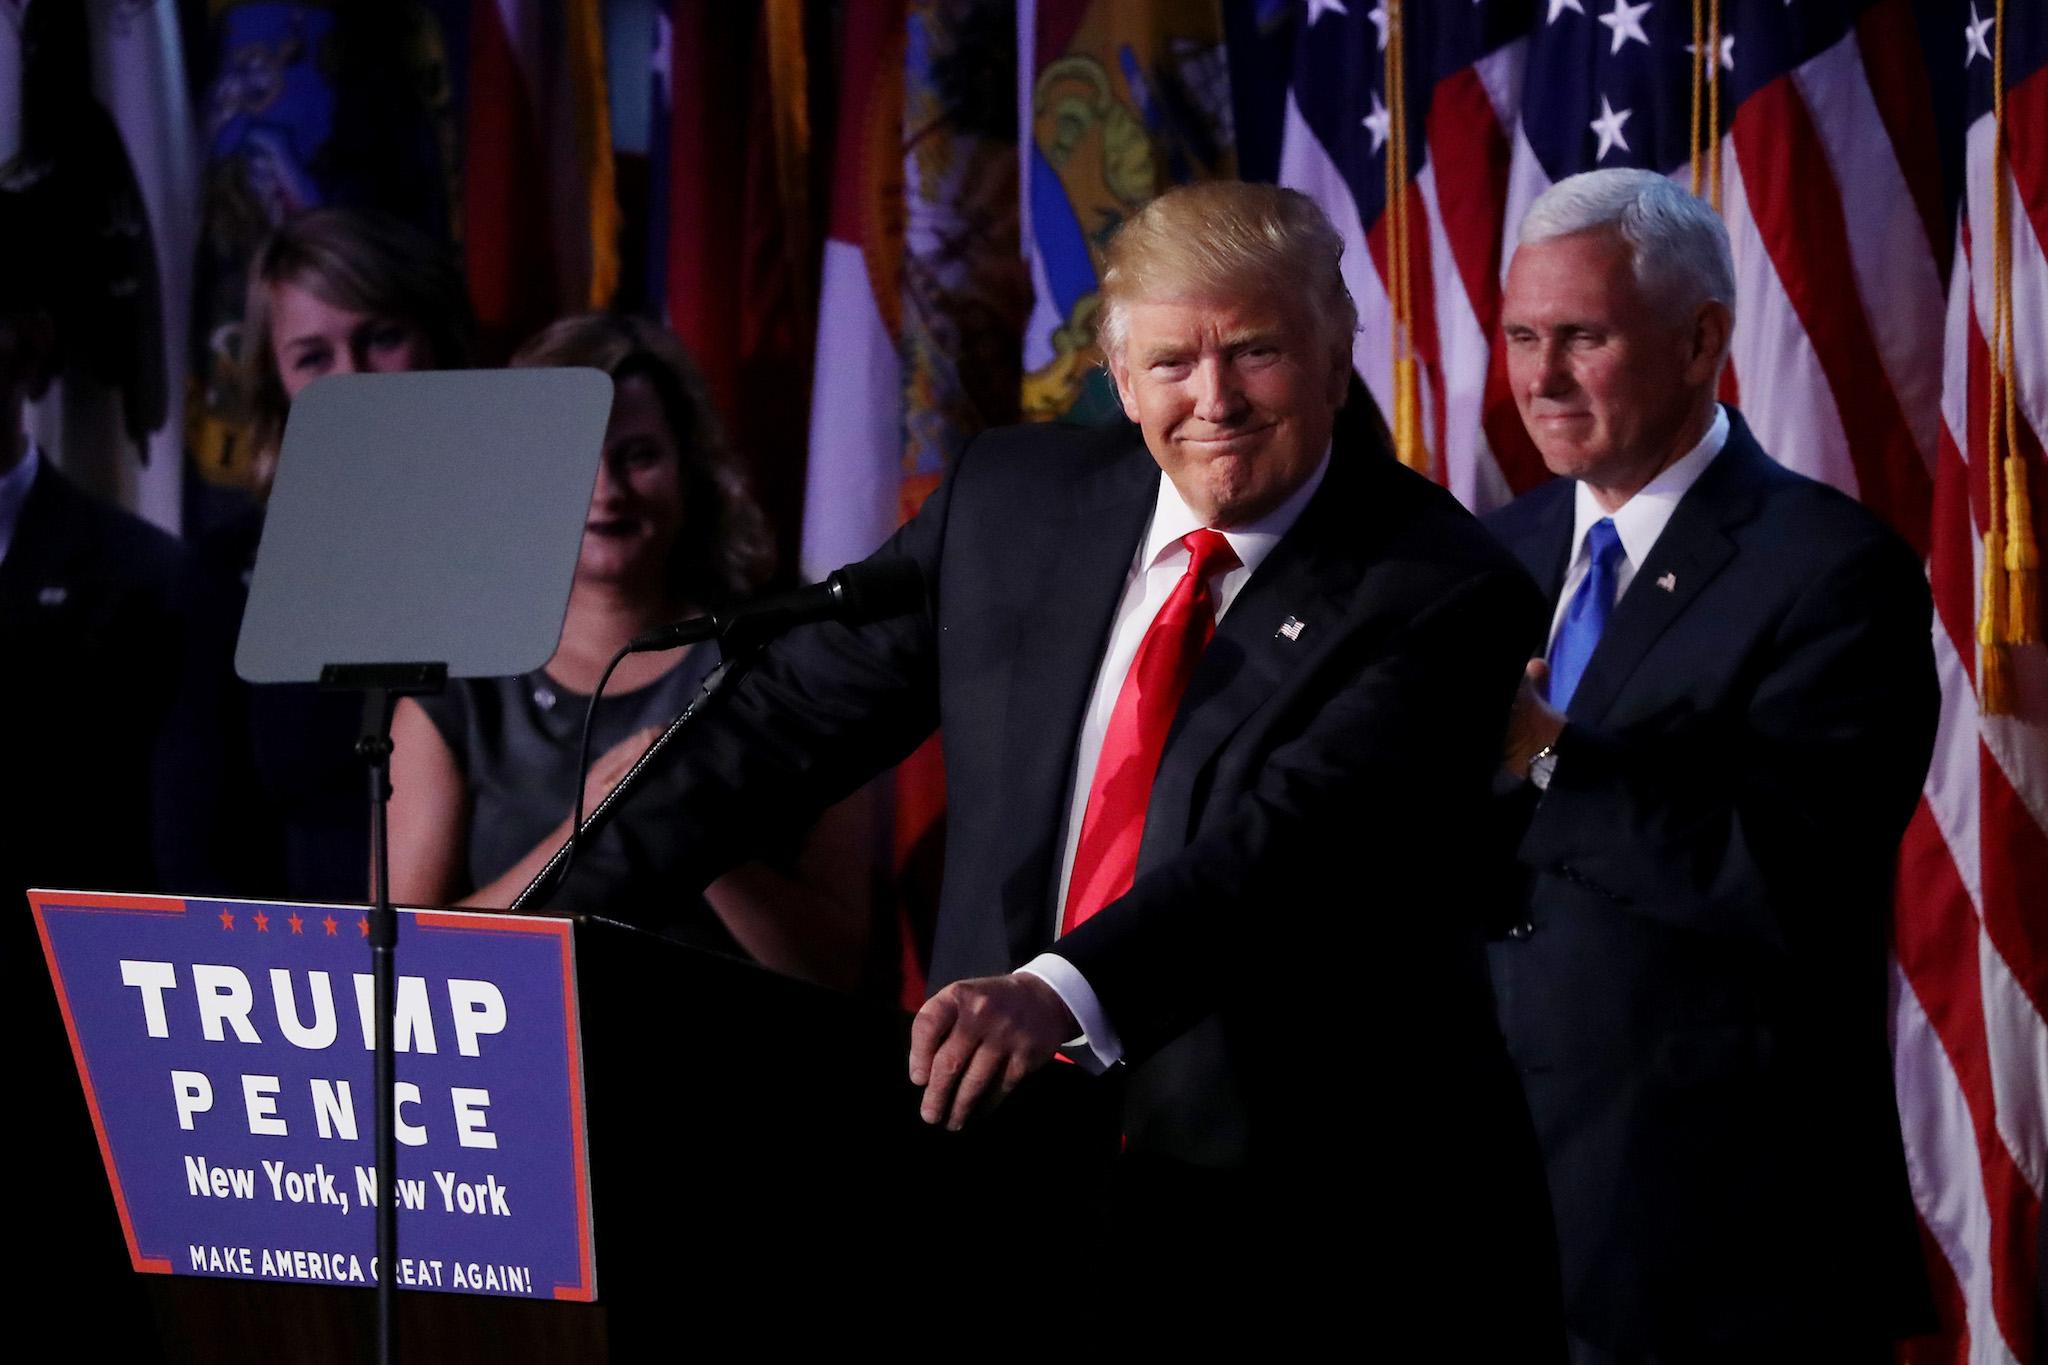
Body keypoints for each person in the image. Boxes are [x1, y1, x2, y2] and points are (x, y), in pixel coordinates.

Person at [552, 181, 1562, 1342]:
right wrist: (530, 933)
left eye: (1256, 352)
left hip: (1297, 1218)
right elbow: (776, 728)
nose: (1215, 398)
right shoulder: (1009, 507)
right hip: (1006, 1181)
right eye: (1174, 362)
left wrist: (1055, 994)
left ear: (1336, 359)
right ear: (1120, 379)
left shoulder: (1442, 586)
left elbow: (1282, 850)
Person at [1485, 168, 1937, 1361]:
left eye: (1580, 337)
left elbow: (1788, 875)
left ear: (1699, 342)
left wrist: (1541, 758)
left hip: (1724, 1245)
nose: (1537, 379)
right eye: (1522, 337)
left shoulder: (1831, 571)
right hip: (1492, 1220)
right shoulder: (1488, 555)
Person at [387, 314, 869, 990]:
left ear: (689, 469)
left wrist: (689, 816)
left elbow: (840, 970)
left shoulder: (785, 658)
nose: (608, 489)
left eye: (638, 455)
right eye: (575, 458)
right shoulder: (457, 685)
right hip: (523, 1072)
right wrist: (591, 823)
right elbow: (400, 962)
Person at [160, 205, 476, 900]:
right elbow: (195, 847)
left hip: (508, 949)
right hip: (296, 967)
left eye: (382, 338)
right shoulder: (226, 573)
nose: (353, 377)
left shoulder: (520, 539)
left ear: (435, 342)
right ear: (277, 385)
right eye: (313, 357)